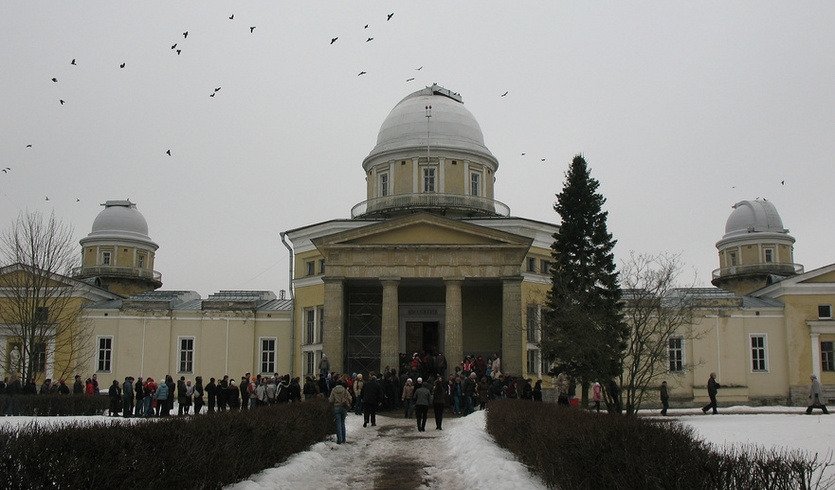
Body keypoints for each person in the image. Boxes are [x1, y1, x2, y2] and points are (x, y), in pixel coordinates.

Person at [329, 377, 353, 444]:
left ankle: (339, 440)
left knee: (338, 424)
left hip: (336, 407)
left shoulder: (333, 390)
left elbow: (331, 400)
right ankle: (344, 439)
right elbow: (350, 398)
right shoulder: (344, 390)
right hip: (344, 407)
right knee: (343, 423)